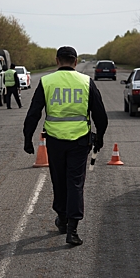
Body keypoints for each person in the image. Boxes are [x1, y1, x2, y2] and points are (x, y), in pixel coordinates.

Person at [23, 46, 108, 246]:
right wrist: (100, 136)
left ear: (57, 60)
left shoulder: (47, 82)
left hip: (55, 141)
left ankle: (62, 217)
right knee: (76, 183)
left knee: (59, 181)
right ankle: (73, 229)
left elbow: (34, 112)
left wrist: (27, 139)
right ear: (76, 62)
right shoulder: (86, 82)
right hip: (80, 141)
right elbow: (100, 115)